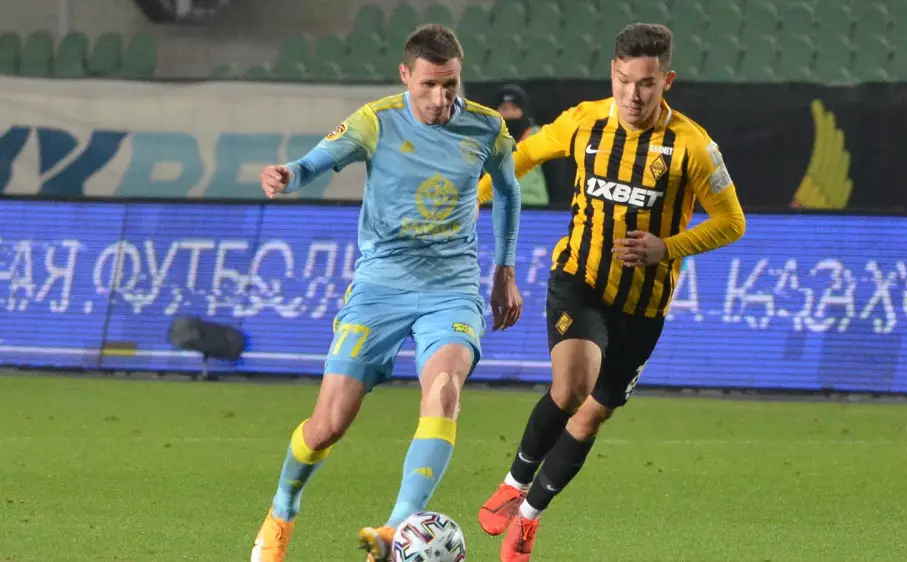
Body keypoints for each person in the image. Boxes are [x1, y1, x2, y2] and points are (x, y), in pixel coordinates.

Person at [251, 24, 524, 562]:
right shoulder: (375, 121)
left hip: (452, 288)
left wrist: (504, 270)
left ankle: (397, 529)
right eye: (429, 85)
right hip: (380, 287)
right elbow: (312, 164)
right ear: (405, 76)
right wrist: (287, 174)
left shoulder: (487, 127)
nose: (440, 99)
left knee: (444, 392)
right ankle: (283, 508)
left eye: (450, 85)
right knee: (328, 425)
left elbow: (509, 192)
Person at [475, 23, 747, 561]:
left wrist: (667, 248)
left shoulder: (693, 146)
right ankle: (514, 482)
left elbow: (732, 222)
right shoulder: (584, 121)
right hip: (580, 279)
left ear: (666, 81)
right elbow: (522, 156)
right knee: (572, 387)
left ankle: (528, 518)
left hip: (643, 306)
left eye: (646, 83)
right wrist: (475, 200)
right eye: (623, 80)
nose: (632, 95)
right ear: (612, 73)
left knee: (591, 415)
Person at [495, 84, 549, 206]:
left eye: (514, 109)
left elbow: (554, 175)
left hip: (534, 206)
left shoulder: (538, 135)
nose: (509, 114)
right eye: (504, 109)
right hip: (492, 207)